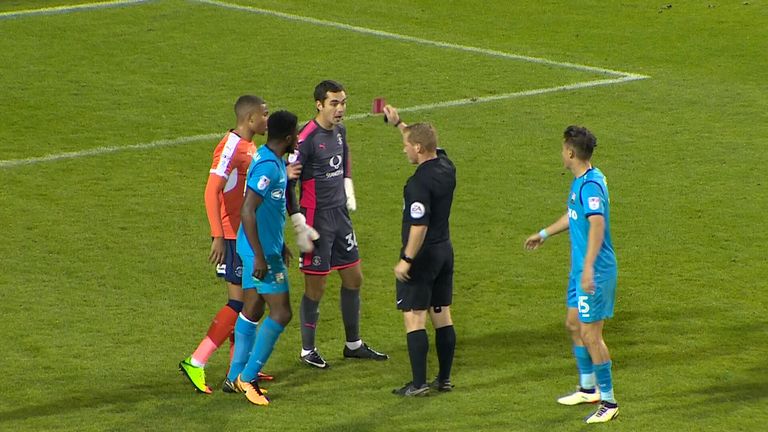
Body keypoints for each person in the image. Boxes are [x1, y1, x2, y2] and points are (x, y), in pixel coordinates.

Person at [286, 80, 388, 368]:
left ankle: (353, 344)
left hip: (341, 216)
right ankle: (308, 350)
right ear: (319, 104)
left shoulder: (340, 131)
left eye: (343, 102)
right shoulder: (304, 139)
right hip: (316, 220)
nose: (340, 109)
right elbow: (288, 183)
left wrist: (348, 184)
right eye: (334, 103)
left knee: (354, 278)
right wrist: (298, 222)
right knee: (315, 288)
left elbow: (344, 155)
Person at [524, 125, 619, 423]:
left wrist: (589, 267)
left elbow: (597, 225)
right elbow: (574, 214)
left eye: (562, 148)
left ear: (570, 152)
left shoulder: (591, 186)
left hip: (595, 272)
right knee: (573, 323)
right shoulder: (583, 180)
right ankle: (588, 388)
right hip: (580, 270)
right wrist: (544, 233)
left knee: (592, 335)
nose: (560, 153)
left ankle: (609, 402)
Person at [179, 95, 273, 394]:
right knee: (241, 304)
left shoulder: (248, 145)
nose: (267, 121)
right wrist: (218, 235)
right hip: (233, 236)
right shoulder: (231, 145)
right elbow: (211, 190)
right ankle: (197, 360)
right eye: (264, 115)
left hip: (242, 233)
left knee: (245, 302)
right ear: (250, 119)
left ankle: (240, 369)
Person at [381, 105, 457, 397]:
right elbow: (423, 140)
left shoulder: (417, 184)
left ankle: (418, 384)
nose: (404, 151)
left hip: (422, 256)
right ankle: (444, 379)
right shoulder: (447, 165)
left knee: (414, 317)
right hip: (444, 251)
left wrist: (406, 260)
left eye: (407, 147)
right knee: (442, 313)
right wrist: (400, 124)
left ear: (418, 148)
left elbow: (419, 227)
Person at [226, 110, 300, 406]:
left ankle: (233, 376)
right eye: (296, 133)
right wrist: (261, 255)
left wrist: (279, 243)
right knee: (282, 312)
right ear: (288, 137)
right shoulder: (269, 166)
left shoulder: (272, 158)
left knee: (253, 307)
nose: (298, 138)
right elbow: (247, 210)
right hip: (260, 252)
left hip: (261, 246)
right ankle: (248, 377)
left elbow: (270, 210)